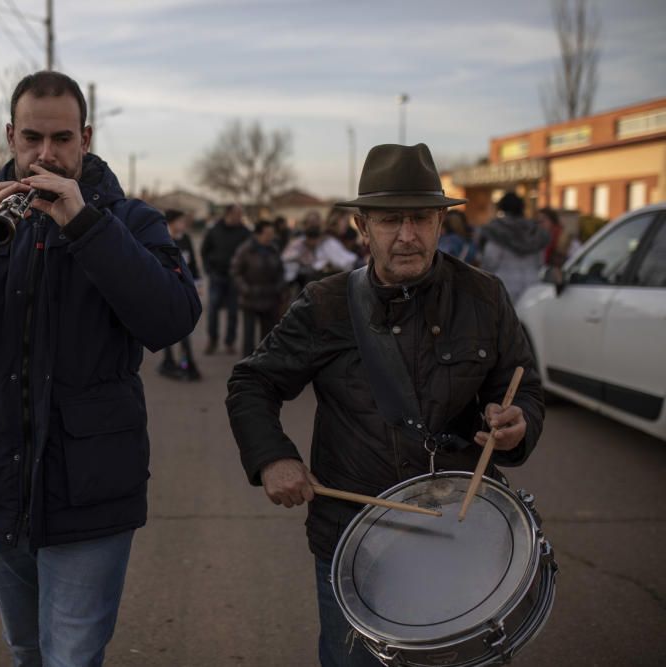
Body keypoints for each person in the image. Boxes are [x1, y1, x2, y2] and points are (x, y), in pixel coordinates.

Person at [0, 70, 200, 667]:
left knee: (72, 656)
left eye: (62, 139)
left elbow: (171, 320)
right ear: (10, 136)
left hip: (91, 491)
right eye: (32, 137)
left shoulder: (133, 222)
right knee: (27, 648)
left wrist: (86, 225)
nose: (46, 154)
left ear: (85, 137)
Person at [225, 143, 544, 667]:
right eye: (391, 220)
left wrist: (516, 423)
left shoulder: (484, 296)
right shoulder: (325, 304)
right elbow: (252, 383)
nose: (407, 235)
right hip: (355, 540)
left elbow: (522, 386)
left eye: (421, 218)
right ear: (361, 227)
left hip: (461, 535)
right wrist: (272, 457)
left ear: (441, 221)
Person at [478, 192, 549, 305]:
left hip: (504, 287)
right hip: (532, 286)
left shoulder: (497, 231)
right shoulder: (534, 231)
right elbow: (540, 262)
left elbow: (490, 261)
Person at [200, 203, 251, 355]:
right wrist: (209, 269)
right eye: (237, 214)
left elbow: (249, 254)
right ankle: (212, 341)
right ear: (228, 214)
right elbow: (204, 251)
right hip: (217, 276)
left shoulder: (245, 232)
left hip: (235, 278)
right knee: (213, 311)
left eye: (241, 214)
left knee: (233, 312)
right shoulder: (214, 230)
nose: (240, 217)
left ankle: (230, 342)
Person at [230, 220, 285, 358]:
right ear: (258, 234)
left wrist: (279, 287)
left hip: (270, 298)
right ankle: (246, 364)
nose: (270, 236)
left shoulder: (274, 249)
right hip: (250, 299)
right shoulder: (245, 250)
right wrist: (246, 289)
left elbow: (280, 271)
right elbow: (236, 272)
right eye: (267, 233)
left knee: (268, 336)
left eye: (272, 233)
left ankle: (264, 362)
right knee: (248, 335)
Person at [158, 209, 202, 381]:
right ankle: (170, 362)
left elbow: (192, 263)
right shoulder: (161, 238)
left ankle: (186, 364)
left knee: (184, 330)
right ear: (171, 222)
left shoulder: (185, 239)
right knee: (169, 329)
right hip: (167, 290)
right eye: (180, 221)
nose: (183, 225)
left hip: (184, 290)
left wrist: (197, 281)